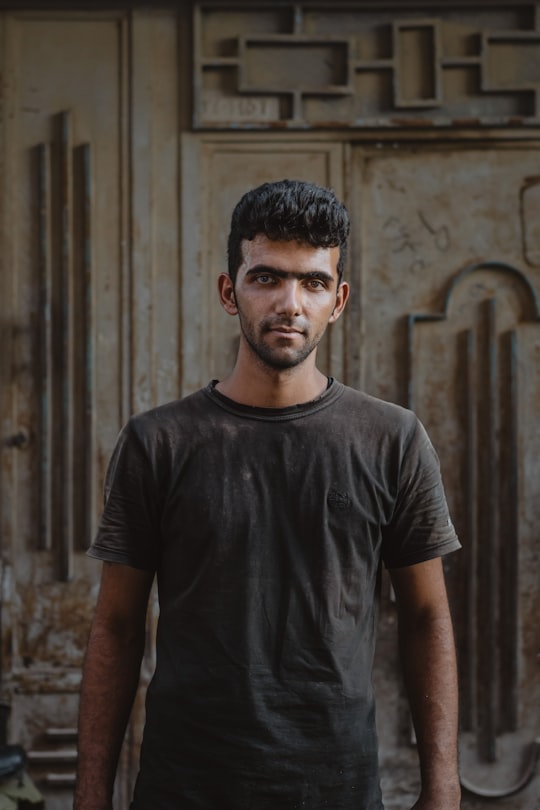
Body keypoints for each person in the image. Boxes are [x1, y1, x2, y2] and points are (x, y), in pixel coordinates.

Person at [74, 179, 461, 810]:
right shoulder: (159, 442)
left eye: (311, 282)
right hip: (186, 787)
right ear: (231, 291)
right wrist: (90, 795)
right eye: (266, 278)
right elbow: (116, 627)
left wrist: (443, 786)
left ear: (338, 301)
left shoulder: (391, 439)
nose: (289, 303)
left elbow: (426, 617)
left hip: (336, 786)